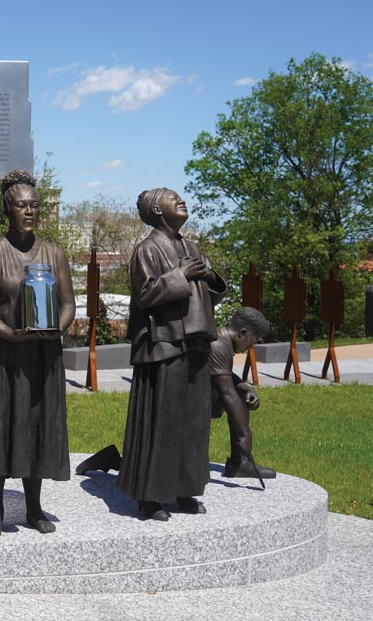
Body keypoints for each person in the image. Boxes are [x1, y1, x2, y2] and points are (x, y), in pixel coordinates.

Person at [0, 169, 76, 536]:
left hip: (43, 357)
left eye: (34, 206)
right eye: (21, 206)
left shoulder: (53, 253)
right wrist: (9, 334)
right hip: (4, 356)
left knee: (36, 426)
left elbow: (68, 303)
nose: (29, 212)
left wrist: (53, 330)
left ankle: (33, 508)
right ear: (7, 209)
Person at [117, 188, 226, 521]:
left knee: (193, 421)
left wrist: (208, 276)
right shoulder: (146, 249)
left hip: (196, 341)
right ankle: (151, 496)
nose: (180, 201)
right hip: (163, 344)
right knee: (162, 421)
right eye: (171, 198)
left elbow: (214, 292)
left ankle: (184, 488)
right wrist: (182, 275)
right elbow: (145, 295)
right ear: (156, 209)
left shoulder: (191, 246)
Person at [210, 307, 277, 479]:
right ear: (242, 332)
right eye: (252, 342)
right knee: (235, 396)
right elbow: (226, 392)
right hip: (188, 405)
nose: (250, 347)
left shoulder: (223, 341)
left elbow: (222, 373)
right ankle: (240, 461)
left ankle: (239, 464)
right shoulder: (218, 345)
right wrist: (245, 433)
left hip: (204, 397)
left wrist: (246, 387)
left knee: (241, 395)